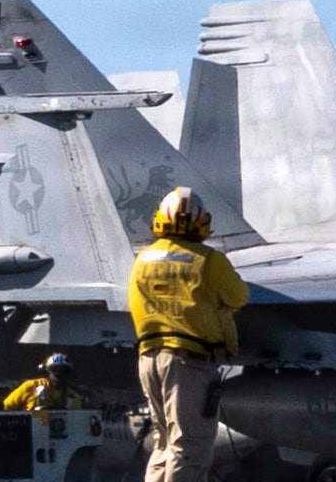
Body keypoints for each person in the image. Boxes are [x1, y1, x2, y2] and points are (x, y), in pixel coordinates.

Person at [128, 186, 249, 482]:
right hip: (188, 364)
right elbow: (239, 297)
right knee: (190, 446)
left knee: (164, 443)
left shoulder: (142, 259)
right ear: (201, 222)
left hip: (149, 359)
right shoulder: (209, 260)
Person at [2, 353, 84, 411]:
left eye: (64, 371)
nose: (59, 375)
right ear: (46, 372)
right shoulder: (30, 386)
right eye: (55, 370)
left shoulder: (75, 399)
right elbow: (5, 407)